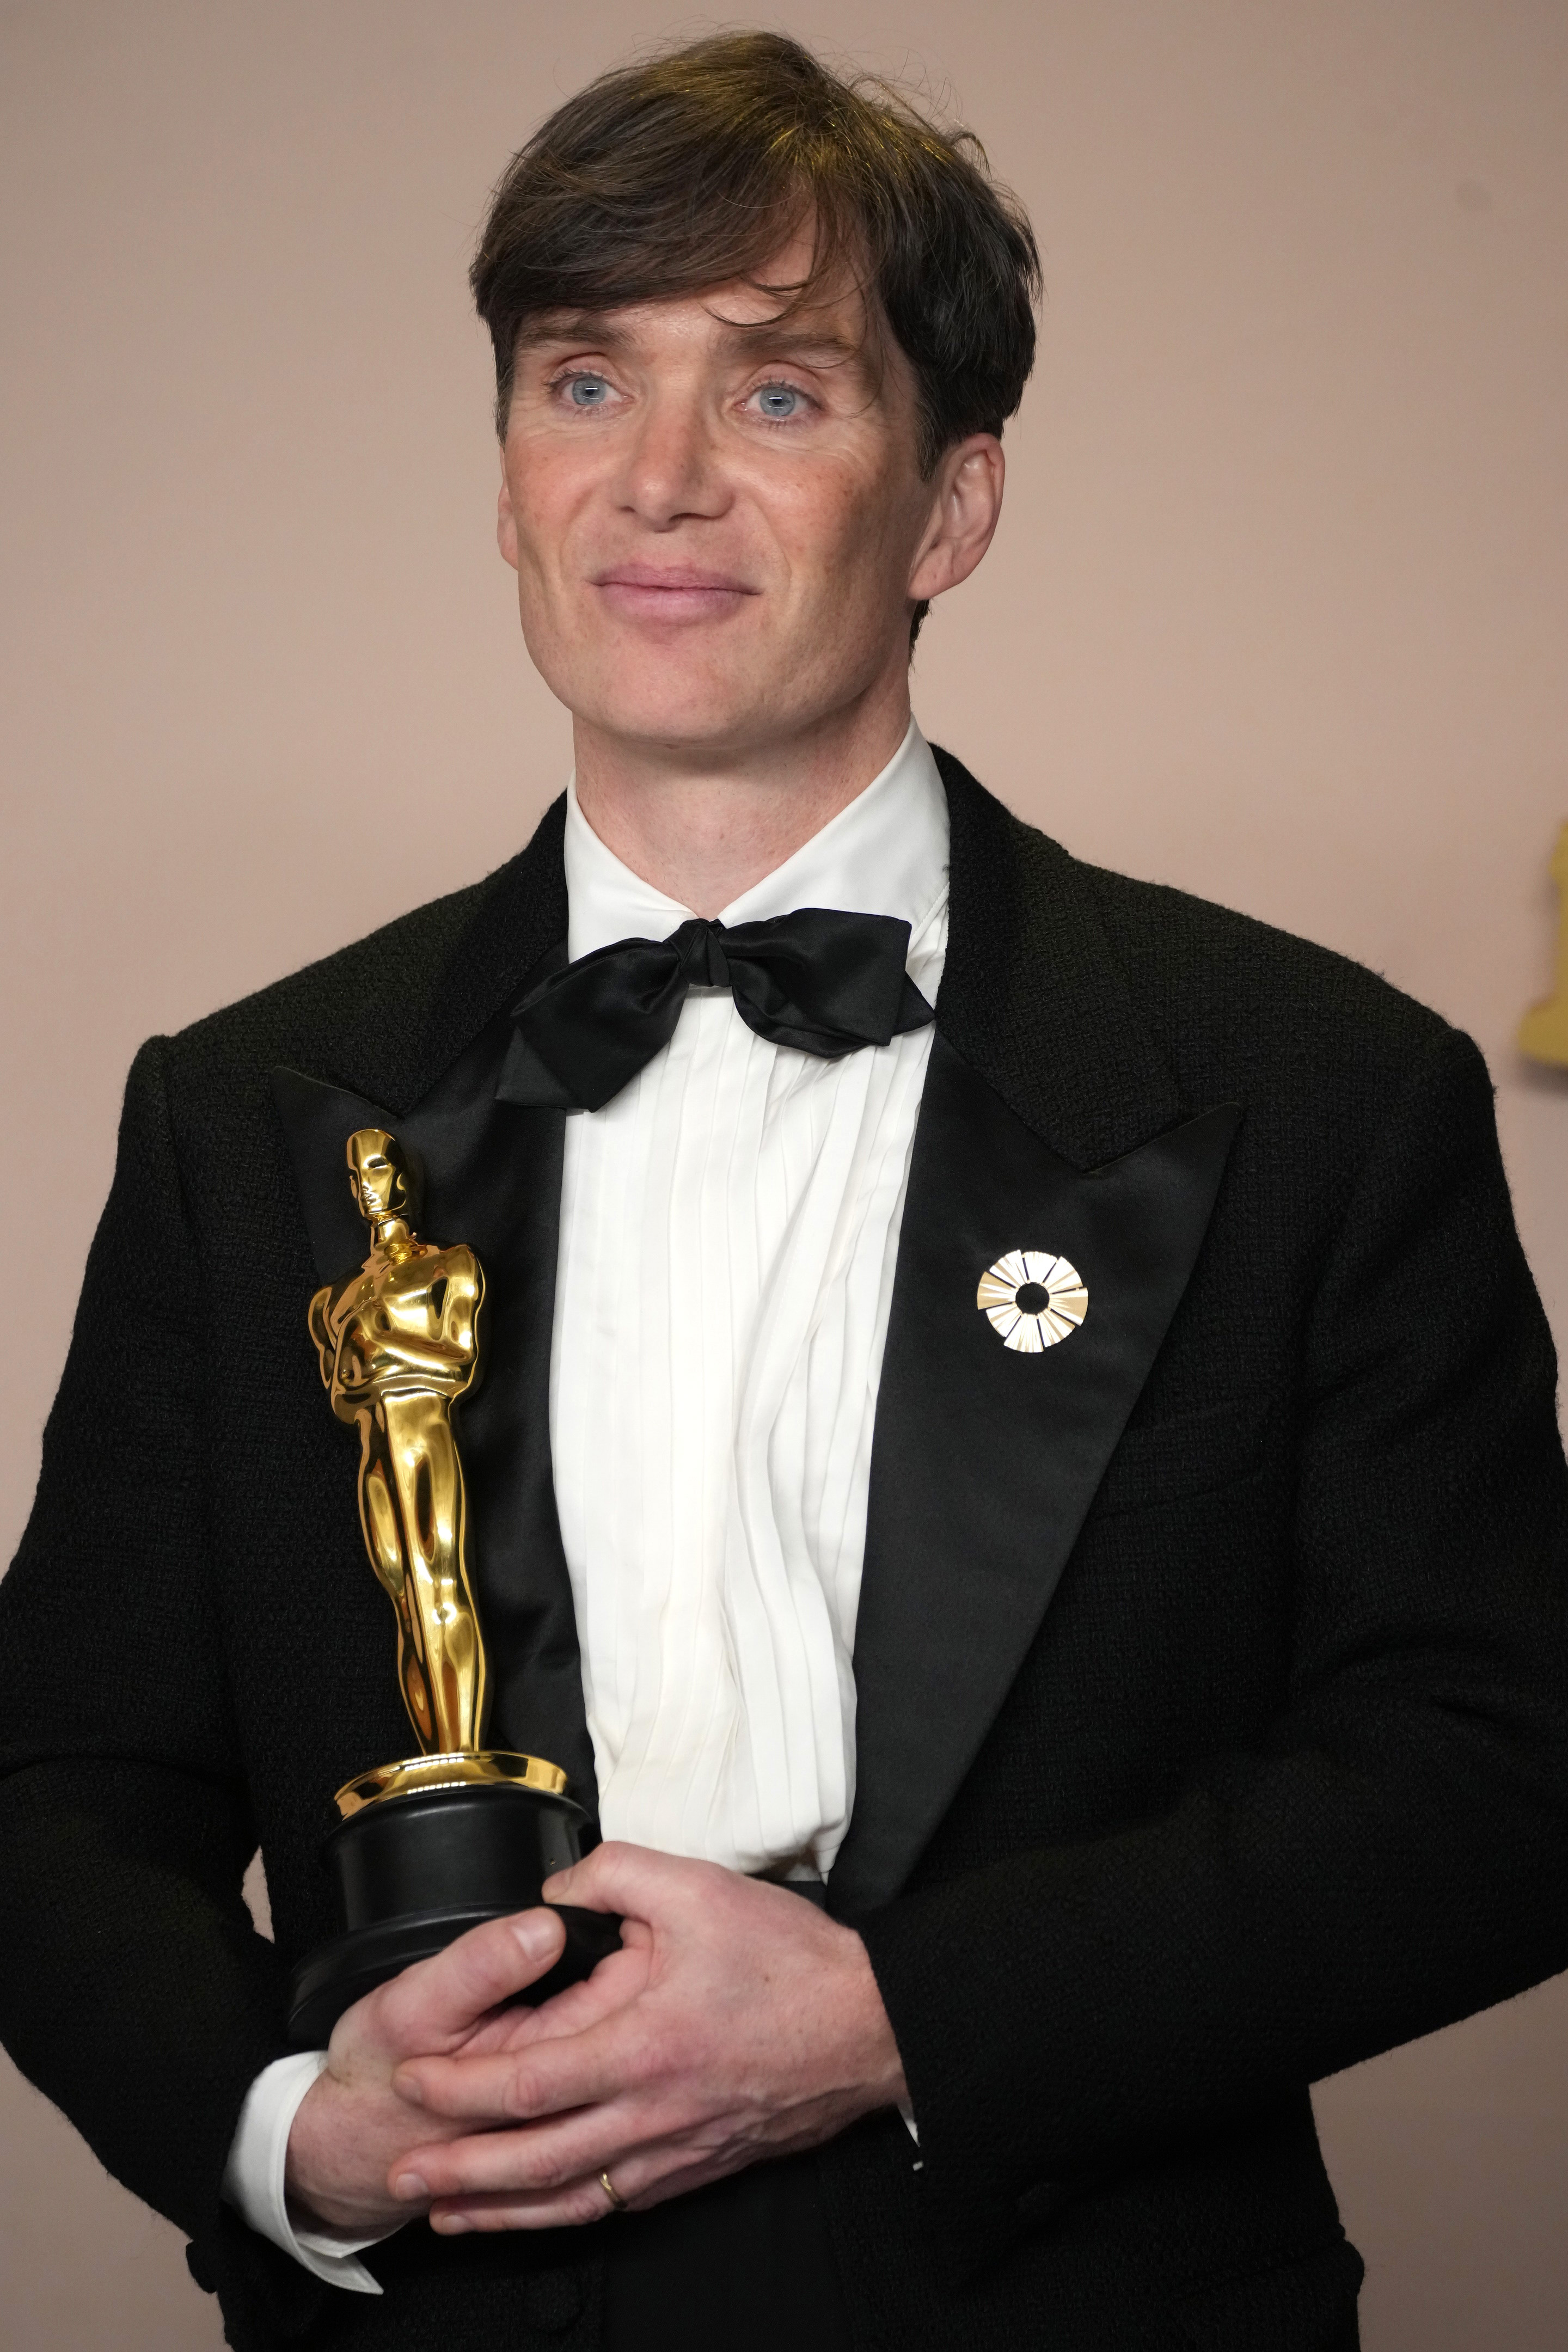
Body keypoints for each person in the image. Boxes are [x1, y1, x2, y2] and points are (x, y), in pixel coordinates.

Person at [3, 30, 1567, 2352]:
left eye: (775, 395)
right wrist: (286, 2133)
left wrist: (895, 2017)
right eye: (580, 384)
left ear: (948, 507)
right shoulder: (246, 1108)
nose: (656, 485)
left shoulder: (1316, 1086)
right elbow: (59, 1791)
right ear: (506, 477)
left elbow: (1503, 1765)